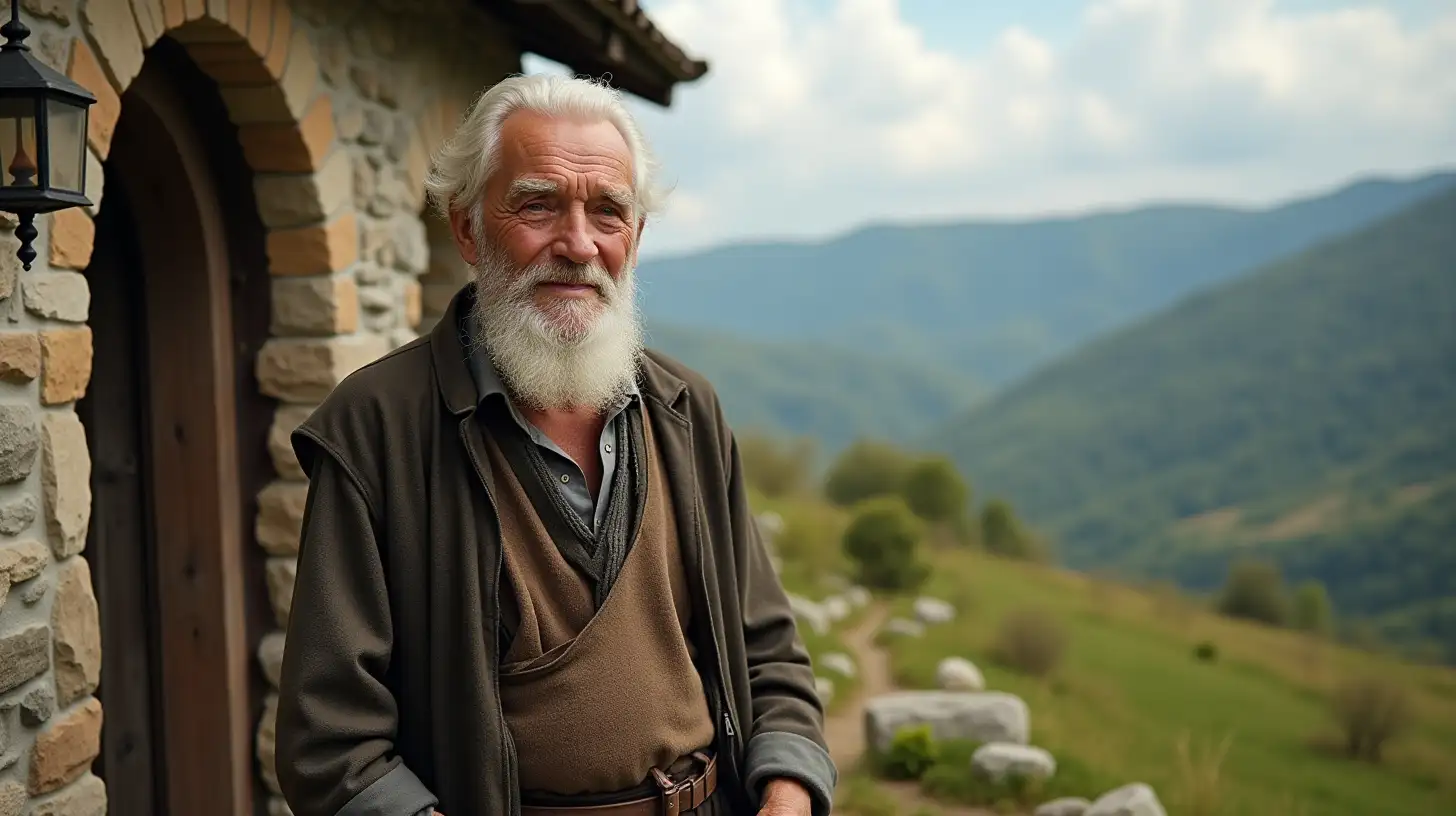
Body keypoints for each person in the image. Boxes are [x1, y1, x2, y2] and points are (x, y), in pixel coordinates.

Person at [273, 73, 835, 816]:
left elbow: (768, 653)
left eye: (609, 212)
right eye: (538, 204)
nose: (578, 244)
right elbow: (329, 741)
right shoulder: (377, 428)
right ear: (468, 227)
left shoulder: (686, 411)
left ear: (634, 237)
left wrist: (789, 790)